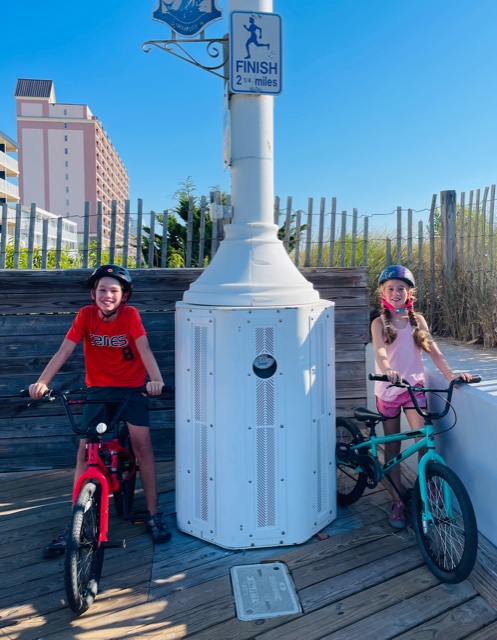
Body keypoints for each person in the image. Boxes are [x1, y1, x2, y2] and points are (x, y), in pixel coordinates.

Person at [29, 264, 172, 557]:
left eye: (114, 290)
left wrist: (156, 380)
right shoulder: (86, 315)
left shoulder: (130, 316)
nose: (108, 295)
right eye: (102, 290)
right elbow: (64, 350)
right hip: (98, 390)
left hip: (132, 390)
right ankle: (75, 521)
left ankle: (154, 513)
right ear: (93, 294)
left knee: (143, 447)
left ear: (124, 295)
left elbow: (144, 349)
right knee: (84, 451)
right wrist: (42, 382)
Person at [371, 265, 471, 529]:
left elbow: (433, 351)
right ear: (383, 292)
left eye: (401, 288)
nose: (396, 292)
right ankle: (397, 501)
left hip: (413, 390)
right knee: (393, 446)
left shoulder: (418, 320)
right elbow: (380, 352)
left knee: (424, 441)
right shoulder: (379, 323)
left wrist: (450, 375)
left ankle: (427, 487)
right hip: (389, 391)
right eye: (390, 288)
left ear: (409, 293)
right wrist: (388, 370)